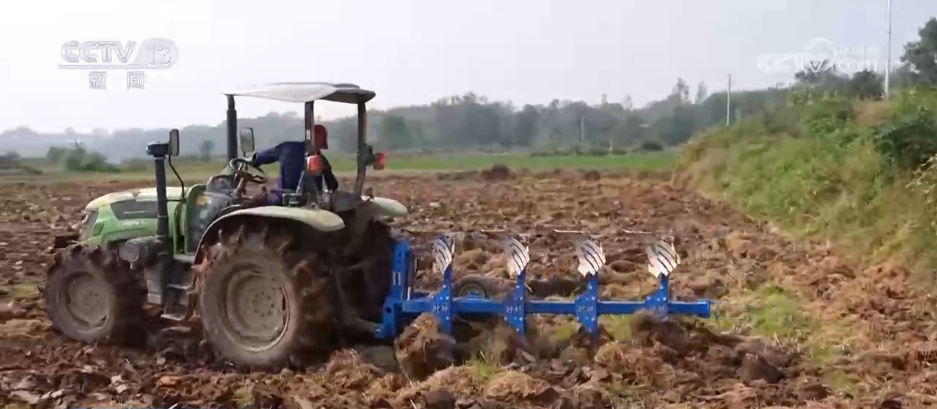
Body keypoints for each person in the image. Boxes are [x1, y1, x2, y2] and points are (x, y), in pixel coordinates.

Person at [245, 124, 338, 206]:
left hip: (281, 199)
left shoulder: (286, 148)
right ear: (321, 142)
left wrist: (252, 160)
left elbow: (260, 158)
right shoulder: (321, 159)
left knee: (256, 202)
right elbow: (333, 184)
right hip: (310, 202)